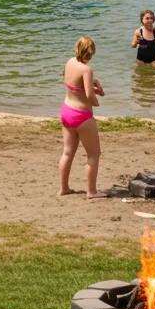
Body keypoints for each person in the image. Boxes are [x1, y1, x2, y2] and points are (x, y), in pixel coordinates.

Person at [59, 36, 106, 199]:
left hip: (66, 110)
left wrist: (94, 88)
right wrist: (98, 97)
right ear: (91, 52)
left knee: (67, 152)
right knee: (94, 154)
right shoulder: (87, 70)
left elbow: (74, 85)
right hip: (82, 115)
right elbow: (88, 95)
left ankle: (63, 188)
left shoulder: (69, 62)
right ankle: (91, 191)